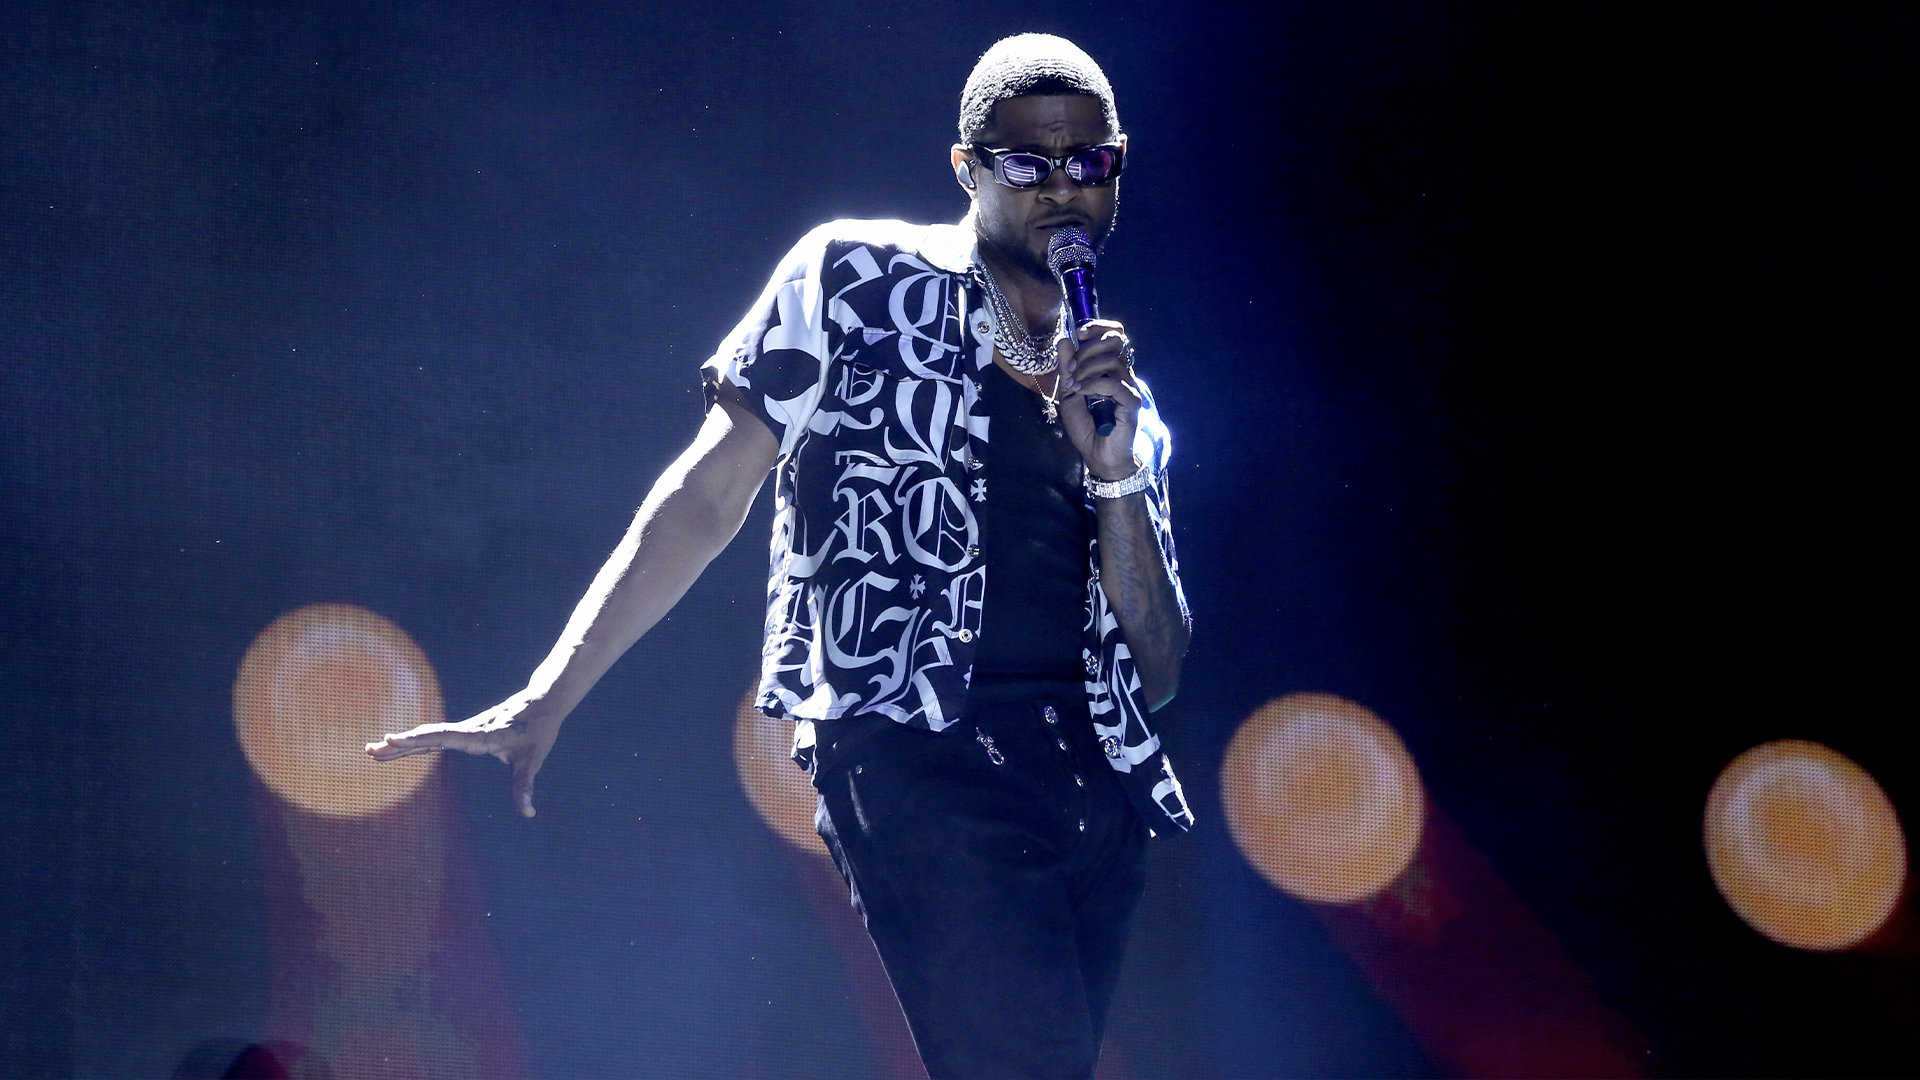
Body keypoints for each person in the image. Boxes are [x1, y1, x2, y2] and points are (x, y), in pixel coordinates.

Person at [368, 33, 1192, 1080]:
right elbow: (708, 494)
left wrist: (1112, 470)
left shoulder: (1127, 401)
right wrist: (549, 692)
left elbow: (1158, 669)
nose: (1063, 188)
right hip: (919, 758)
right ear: (968, 169)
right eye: (1027, 162)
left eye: (1091, 162)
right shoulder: (857, 278)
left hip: (1093, 788)